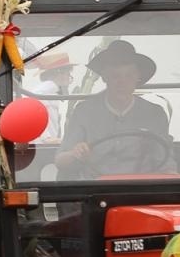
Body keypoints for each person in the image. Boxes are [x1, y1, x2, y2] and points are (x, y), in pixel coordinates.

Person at [57, 40, 171, 173]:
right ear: (105, 77)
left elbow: (165, 161)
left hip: (140, 188)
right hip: (94, 187)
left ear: (138, 78)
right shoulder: (84, 112)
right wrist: (75, 153)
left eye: (129, 75)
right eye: (115, 76)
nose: (122, 82)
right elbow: (60, 162)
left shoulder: (154, 114)